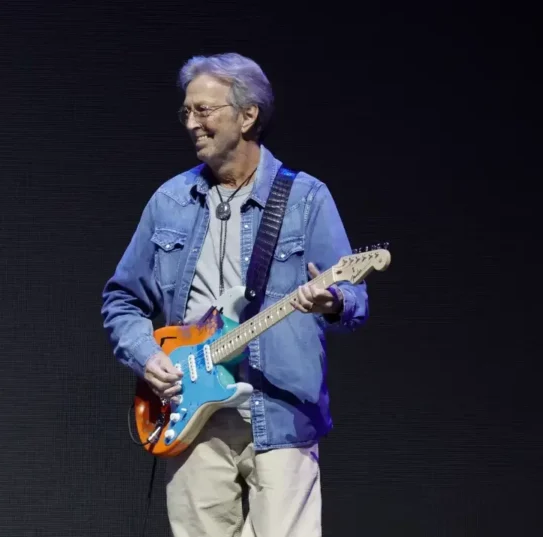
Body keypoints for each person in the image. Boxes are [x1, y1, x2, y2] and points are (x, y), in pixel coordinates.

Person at [101, 52, 369, 537]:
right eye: (186, 111)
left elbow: (355, 298)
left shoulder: (307, 198)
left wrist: (333, 302)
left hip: (282, 411)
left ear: (248, 116)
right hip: (193, 415)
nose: (191, 123)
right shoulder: (170, 201)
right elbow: (122, 300)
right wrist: (147, 357)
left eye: (204, 110)